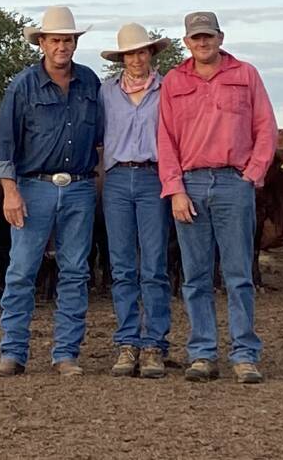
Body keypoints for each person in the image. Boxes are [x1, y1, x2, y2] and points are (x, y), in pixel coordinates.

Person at [157, 11, 277, 384]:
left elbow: (266, 127)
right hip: (190, 185)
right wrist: (174, 188)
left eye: (208, 36)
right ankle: (202, 353)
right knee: (195, 276)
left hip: (232, 182)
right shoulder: (174, 81)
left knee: (238, 273)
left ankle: (244, 354)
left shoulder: (245, 75)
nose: (202, 42)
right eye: (196, 37)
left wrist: (251, 175)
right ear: (186, 42)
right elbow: (166, 139)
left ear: (220, 38)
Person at [0, 5, 103, 378]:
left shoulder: (90, 82)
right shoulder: (22, 86)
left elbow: (103, 135)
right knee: (21, 270)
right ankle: (13, 352)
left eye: (68, 40)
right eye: (55, 39)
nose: (62, 46)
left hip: (80, 187)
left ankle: (66, 353)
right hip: (33, 186)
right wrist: (10, 191)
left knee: (74, 271)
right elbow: (4, 142)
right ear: (42, 42)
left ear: (75, 42)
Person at [98, 23, 173, 379]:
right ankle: (128, 342)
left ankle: (154, 344)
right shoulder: (105, 93)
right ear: (122, 59)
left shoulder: (168, 89)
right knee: (123, 265)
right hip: (115, 179)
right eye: (130, 53)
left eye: (143, 51)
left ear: (151, 55)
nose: (137, 59)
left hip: (153, 176)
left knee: (154, 264)